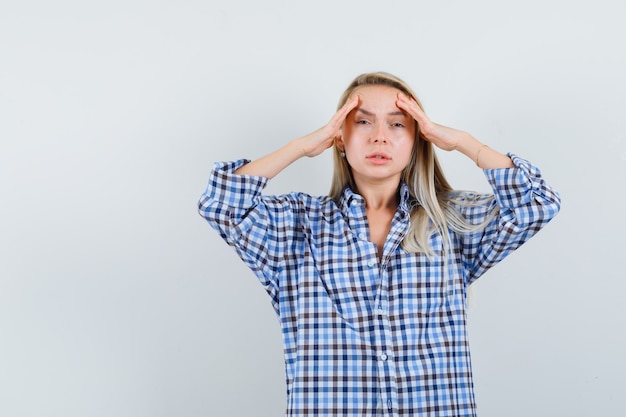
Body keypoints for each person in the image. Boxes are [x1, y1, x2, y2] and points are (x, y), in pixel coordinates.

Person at [197, 72, 561, 416]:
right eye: (363, 121)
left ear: (418, 137)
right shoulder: (295, 226)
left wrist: (463, 142)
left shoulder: (451, 221)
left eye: (398, 123)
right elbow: (221, 204)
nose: (380, 136)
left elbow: (538, 204)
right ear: (339, 136)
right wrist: (302, 146)